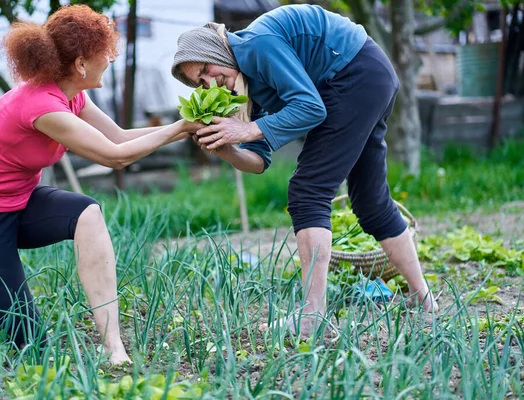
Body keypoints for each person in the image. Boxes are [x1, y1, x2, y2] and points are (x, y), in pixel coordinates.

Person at [0, 5, 201, 364]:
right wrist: (179, 128)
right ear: (81, 64)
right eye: (106, 55)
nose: (111, 60)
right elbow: (115, 156)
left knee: (87, 212)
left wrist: (188, 126)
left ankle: (114, 347)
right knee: (30, 346)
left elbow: (120, 135)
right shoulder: (42, 105)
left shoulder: (72, 93)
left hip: (21, 203)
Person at [171, 4, 438, 336]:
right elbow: (259, 160)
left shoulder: (255, 45)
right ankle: (422, 296)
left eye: (207, 69)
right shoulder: (244, 86)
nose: (212, 81)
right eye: (202, 81)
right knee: (370, 201)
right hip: (370, 76)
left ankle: (313, 317)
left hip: (354, 72)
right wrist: (228, 149)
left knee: (308, 192)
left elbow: (311, 108)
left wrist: (247, 130)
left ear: (215, 50)